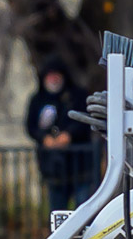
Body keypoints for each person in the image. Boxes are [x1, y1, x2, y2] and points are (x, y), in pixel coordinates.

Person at [25, 58, 94, 212]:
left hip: (80, 166)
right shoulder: (38, 100)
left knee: (83, 210)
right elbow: (31, 126)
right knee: (57, 211)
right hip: (54, 168)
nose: (53, 79)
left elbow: (85, 121)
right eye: (49, 76)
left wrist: (69, 135)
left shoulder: (77, 96)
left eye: (56, 75)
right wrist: (44, 138)